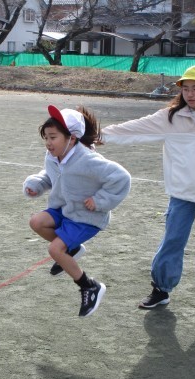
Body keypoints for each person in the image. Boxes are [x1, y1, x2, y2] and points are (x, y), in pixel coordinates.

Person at [99, 65, 195, 321]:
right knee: (172, 242)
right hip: (181, 193)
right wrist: (100, 135)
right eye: (185, 89)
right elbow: (135, 128)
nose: (190, 94)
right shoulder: (170, 117)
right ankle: (161, 290)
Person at [24, 105, 131, 317]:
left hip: (86, 217)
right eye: (46, 137)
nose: (48, 143)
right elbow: (50, 175)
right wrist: (36, 185)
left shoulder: (88, 160)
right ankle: (71, 250)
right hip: (65, 210)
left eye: (53, 137)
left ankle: (90, 287)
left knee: (55, 250)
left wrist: (99, 201)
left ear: (72, 139)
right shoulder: (53, 156)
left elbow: (122, 178)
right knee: (37, 222)